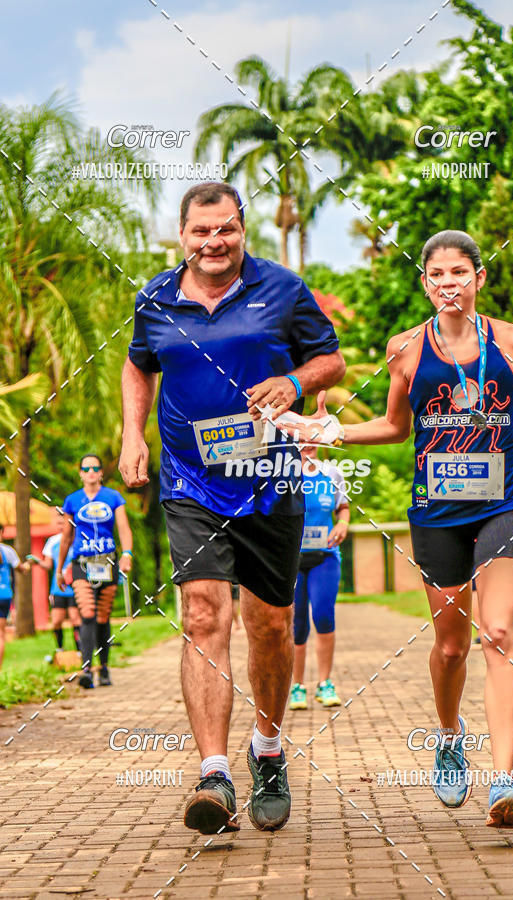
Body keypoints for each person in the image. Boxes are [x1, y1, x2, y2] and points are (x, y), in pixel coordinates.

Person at [280, 230, 513, 829]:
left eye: (460, 272)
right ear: (424, 283)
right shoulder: (404, 349)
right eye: (437, 275)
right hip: (437, 509)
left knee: (498, 632)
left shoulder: (509, 339)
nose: (448, 283)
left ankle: (505, 782)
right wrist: (329, 432)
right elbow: (397, 426)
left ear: (479, 278)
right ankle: (450, 736)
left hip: (505, 499)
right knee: (451, 646)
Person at [119, 182, 345, 835]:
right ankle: (214, 774)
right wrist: (133, 434)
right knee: (201, 613)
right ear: (182, 235)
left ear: (242, 230)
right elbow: (139, 366)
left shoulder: (282, 288)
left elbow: (329, 359)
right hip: (190, 478)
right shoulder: (155, 300)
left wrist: (297, 382)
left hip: (269, 478)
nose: (213, 243)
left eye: (225, 230)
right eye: (201, 232)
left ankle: (267, 750)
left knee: (271, 625)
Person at [57, 455, 133, 688]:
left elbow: (123, 528)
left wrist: (127, 554)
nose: (90, 472)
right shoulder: (72, 500)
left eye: (95, 468)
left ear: (101, 473)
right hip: (82, 563)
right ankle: (87, 670)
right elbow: (66, 537)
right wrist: (59, 569)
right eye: (86, 468)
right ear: (80, 473)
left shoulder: (113, 497)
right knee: (87, 613)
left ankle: (105, 668)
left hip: (107, 561)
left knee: (102, 616)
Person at [290, 443, 349, 711]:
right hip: (291, 561)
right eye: (301, 440)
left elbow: (343, 508)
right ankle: (297, 686)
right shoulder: (284, 474)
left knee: (323, 615)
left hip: (324, 557)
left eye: (313, 439)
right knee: (297, 623)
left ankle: (325, 683)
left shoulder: (332, 473)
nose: (308, 445)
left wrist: (343, 524)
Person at [30, 511, 81, 655]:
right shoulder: (52, 541)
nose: (61, 525)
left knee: (75, 618)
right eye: (58, 522)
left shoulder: (77, 539)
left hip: (75, 586)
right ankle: (59, 649)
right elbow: (47, 565)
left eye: (63, 522)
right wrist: (37, 561)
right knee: (57, 620)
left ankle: (79, 650)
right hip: (58, 588)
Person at [0, 523, 30, 669]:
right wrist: (29, 564)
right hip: (4, 594)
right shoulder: (7, 551)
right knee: (0, 635)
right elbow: (22, 569)